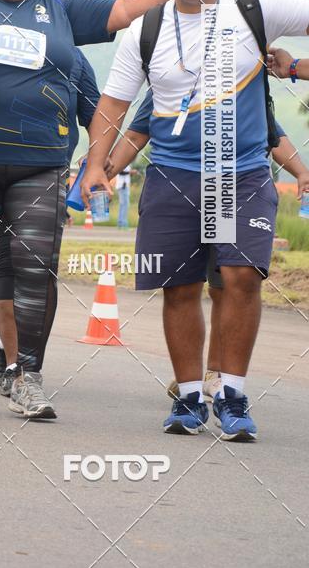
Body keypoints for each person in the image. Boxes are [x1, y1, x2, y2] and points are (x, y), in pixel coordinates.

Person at [0, 0, 176, 419]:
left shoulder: (60, 10)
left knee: (34, 270)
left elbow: (126, 8)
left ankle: (28, 378)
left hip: (41, 166)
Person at [82, 0, 309, 441]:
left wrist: (296, 67)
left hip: (242, 173)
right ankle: (188, 399)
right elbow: (115, 105)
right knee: (179, 288)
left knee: (241, 279)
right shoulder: (146, 30)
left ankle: (232, 395)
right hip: (173, 175)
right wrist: (97, 164)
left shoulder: (256, 9)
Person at [107, 89, 309, 401]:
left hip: (233, 191)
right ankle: (188, 381)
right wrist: (104, 167)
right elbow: (136, 134)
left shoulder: (241, 82)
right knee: (183, 287)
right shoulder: (166, 79)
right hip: (178, 189)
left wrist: (301, 171)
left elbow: (274, 134)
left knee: (226, 286)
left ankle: (215, 373)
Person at [0, 41, 102, 398]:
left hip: (45, 175)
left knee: (36, 271)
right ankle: (10, 360)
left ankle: (24, 366)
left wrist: (94, 162)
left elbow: (97, 113)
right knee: (5, 268)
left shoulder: (73, 58)